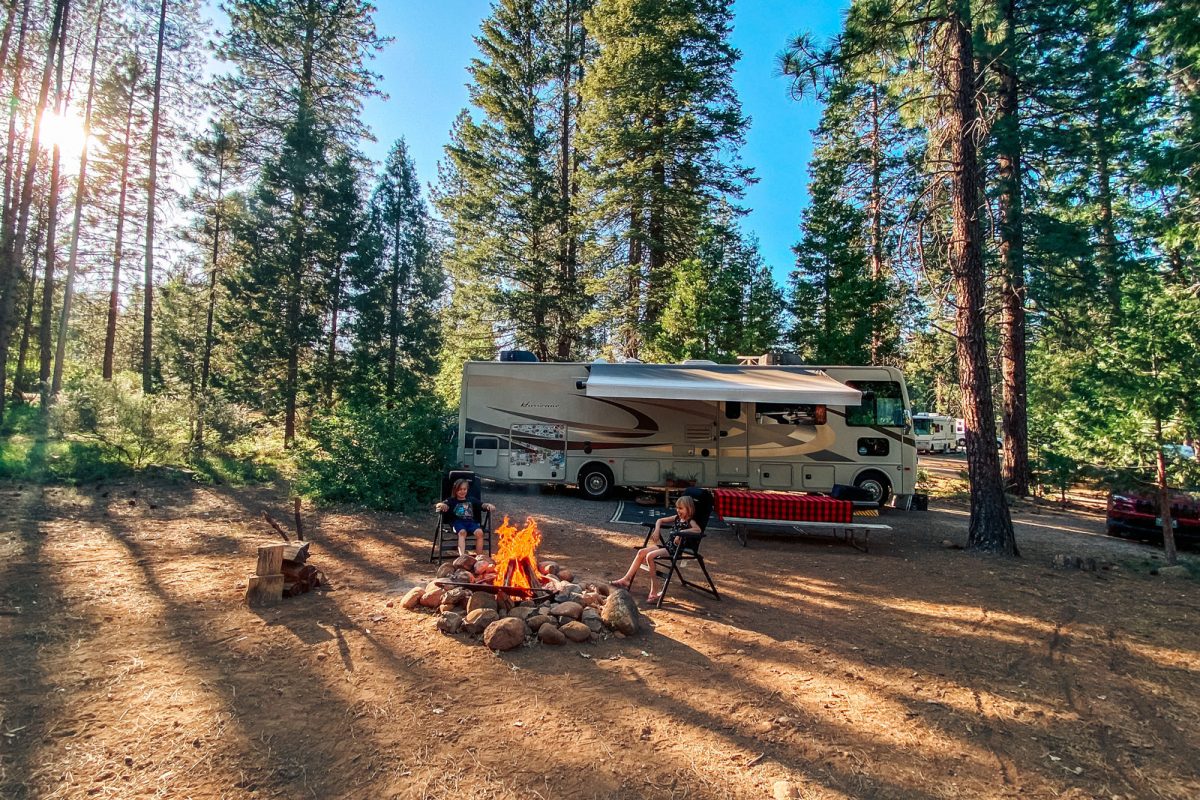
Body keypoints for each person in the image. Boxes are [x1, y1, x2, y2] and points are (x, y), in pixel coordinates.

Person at [611, 495, 701, 603]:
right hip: (667, 546)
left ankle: (654, 589)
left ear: (689, 509)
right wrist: (657, 530)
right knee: (641, 552)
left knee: (650, 556)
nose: (678, 510)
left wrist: (681, 533)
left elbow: (698, 530)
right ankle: (626, 579)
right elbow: (659, 520)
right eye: (677, 508)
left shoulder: (690, 522)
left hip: (674, 550)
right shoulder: (677, 518)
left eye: (681, 508)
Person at [435, 478, 495, 556]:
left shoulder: (471, 499)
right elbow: (438, 505)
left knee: (480, 533)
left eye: (464, 489)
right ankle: (462, 557)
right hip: (457, 523)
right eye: (460, 489)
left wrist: (488, 505)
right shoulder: (451, 500)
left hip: (470, 522)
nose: (462, 491)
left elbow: (481, 505)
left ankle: (479, 557)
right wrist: (442, 505)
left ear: (467, 489)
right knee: (462, 532)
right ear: (455, 490)